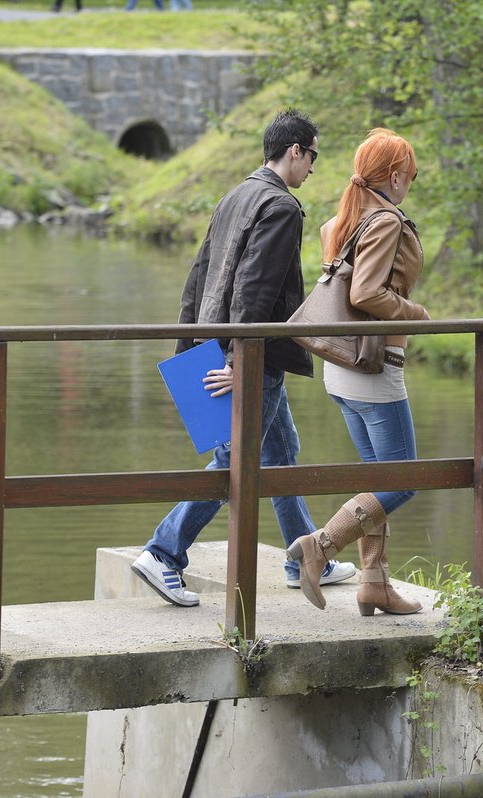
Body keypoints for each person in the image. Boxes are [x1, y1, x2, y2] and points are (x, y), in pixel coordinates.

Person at [132, 109, 356, 606]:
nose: (314, 168)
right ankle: (164, 552)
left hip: (219, 345)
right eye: (313, 155)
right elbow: (254, 292)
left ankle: (303, 558)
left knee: (281, 451)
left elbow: (199, 274)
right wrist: (240, 361)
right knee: (234, 458)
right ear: (295, 150)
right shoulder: (279, 207)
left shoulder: (235, 195)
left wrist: (191, 345)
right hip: (251, 356)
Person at [286, 129, 428, 617]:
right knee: (403, 480)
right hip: (374, 368)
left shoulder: (340, 221)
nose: (410, 184)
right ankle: (320, 547)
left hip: (339, 369)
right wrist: (418, 314)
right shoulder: (385, 220)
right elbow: (365, 295)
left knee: (376, 481)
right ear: (394, 176)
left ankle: (374, 583)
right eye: (411, 175)